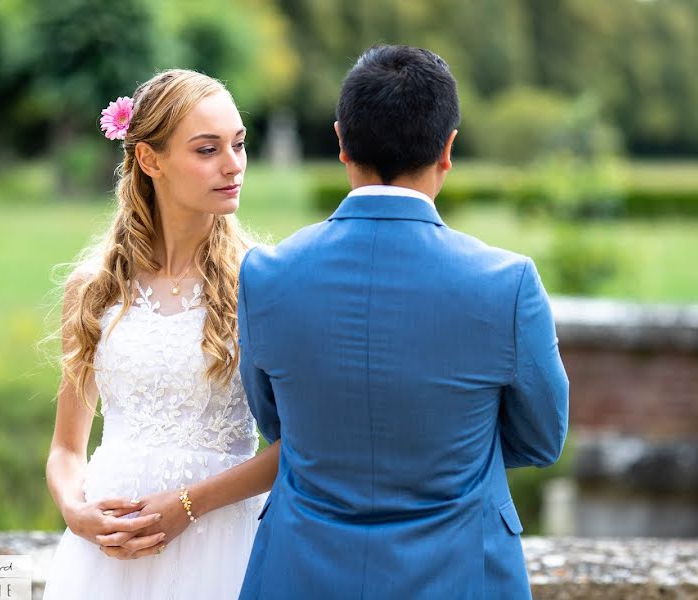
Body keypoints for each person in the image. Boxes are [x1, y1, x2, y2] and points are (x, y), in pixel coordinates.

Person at [237, 45, 569, 599]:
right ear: (448, 147)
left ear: (341, 141)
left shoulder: (267, 274)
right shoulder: (506, 283)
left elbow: (277, 422)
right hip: (461, 574)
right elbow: (540, 439)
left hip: (301, 573)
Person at [43, 69, 279, 600]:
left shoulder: (262, 285)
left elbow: (299, 446)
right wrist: (77, 512)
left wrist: (189, 505)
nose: (234, 165)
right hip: (106, 557)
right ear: (150, 160)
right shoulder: (93, 288)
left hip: (223, 545)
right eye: (207, 149)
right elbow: (65, 448)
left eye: (239, 144)